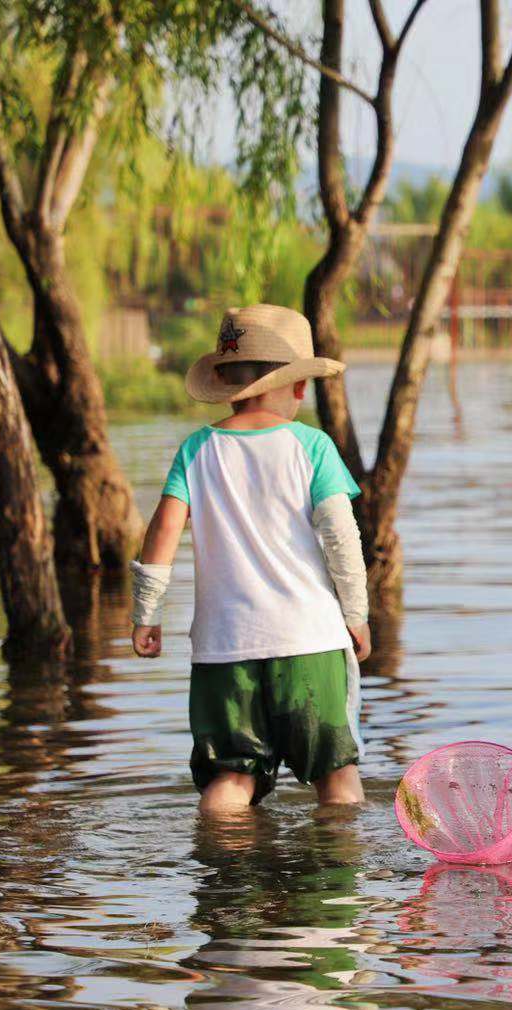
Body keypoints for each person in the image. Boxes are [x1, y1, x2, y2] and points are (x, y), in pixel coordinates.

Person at [130, 304, 371, 814]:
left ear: (223, 382)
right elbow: (342, 538)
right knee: (337, 782)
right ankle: (335, 882)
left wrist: (146, 613)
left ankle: (226, 880)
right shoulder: (313, 446)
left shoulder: (196, 450)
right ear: (298, 387)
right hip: (309, 641)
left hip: (224, 650)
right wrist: (356, 614)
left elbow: (163, 529)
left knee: (228, 784)